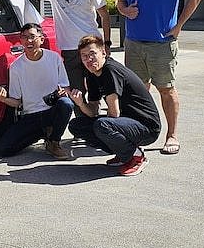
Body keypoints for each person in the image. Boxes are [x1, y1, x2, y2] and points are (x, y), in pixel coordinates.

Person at [116, 0, 203, 155]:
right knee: (137, 91)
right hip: (134, 44)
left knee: (166, 89)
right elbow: (120, 1)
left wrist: (178, 26)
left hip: (161, 44)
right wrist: (125, 11)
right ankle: (137, 134)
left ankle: (172, 135)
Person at [0, 0, 111, 91]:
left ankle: (107, 112)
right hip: (69, 48)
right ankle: (81, 114)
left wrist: (106, 43)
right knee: (76, 91)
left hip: (91, 45)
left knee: (100, 88)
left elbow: (104, 15)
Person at [67, 35, 161, 176]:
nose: (89, 59)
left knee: (102, 125)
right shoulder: (92, 75)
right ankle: (124, 153)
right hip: (127, 123)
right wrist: (81, 103)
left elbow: (114, 113)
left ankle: (136, 156)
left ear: (103, 52)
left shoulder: (110, 70)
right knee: (77, 125)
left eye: (92, 53)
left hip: (147, 127)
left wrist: (107, 132)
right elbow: (93, 111)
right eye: (84, 56)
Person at [0, 23, 73, 159]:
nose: (28, 41)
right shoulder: (16, 67)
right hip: (31, 115)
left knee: (66, 104)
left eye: (32, 37)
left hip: (51, 110)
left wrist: (61, 93)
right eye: (24, 37)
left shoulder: (54, 58)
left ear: (41, 39)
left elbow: (66, 87)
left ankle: (54, 142)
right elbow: (17, 102)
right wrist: (4, 99)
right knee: (4, 149)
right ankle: (42, 132)